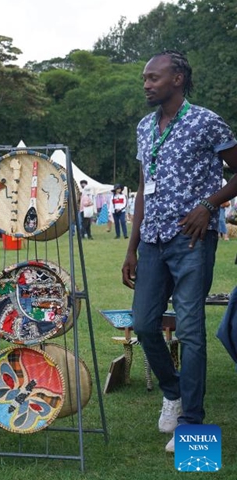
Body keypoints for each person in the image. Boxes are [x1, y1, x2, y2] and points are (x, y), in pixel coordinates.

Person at [122, 50, 237, 454]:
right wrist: (131, 248)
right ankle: (173, 392)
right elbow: (142, 188)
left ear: (177, 80)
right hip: (151, 241)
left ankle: (190, 420)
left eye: (154, 77)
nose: (147, 84)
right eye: (144, 78)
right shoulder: (143, 127)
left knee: (189, 329)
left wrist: (209, 206)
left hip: (191, 241)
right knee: (144, 323)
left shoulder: (206, 121)